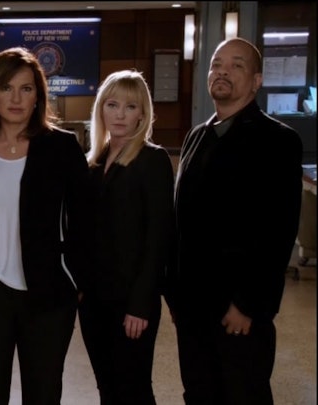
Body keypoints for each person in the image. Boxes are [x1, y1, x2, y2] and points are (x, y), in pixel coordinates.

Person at [0, 47, 89, 404]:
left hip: (47, 294)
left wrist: (76, 281)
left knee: (43, 394)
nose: (15, 98)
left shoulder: (62, 148)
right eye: (6, 88)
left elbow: (85, 221)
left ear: (38, 96)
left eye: (26, 89)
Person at [169, 37, 303, 404]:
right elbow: (182, 221)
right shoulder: (197, 135)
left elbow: (278, 230)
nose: (223, 72)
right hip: (193, 308)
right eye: (217, 64)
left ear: (257, 81)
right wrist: (176, 297)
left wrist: (248, 304)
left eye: (236, 65)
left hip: (238, 309)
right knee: (199, 394)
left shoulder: (277, 140)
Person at [77, 70, 174, 405]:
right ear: (101, 109)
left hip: (131, 302)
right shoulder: (93, 162)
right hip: (93, 300)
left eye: (130, 107)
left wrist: (140, 304)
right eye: (112, 104)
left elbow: (158, 238)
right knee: (107, 388)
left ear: (142, 114)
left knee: (133, 390)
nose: (119, 114)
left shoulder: (152, 159)